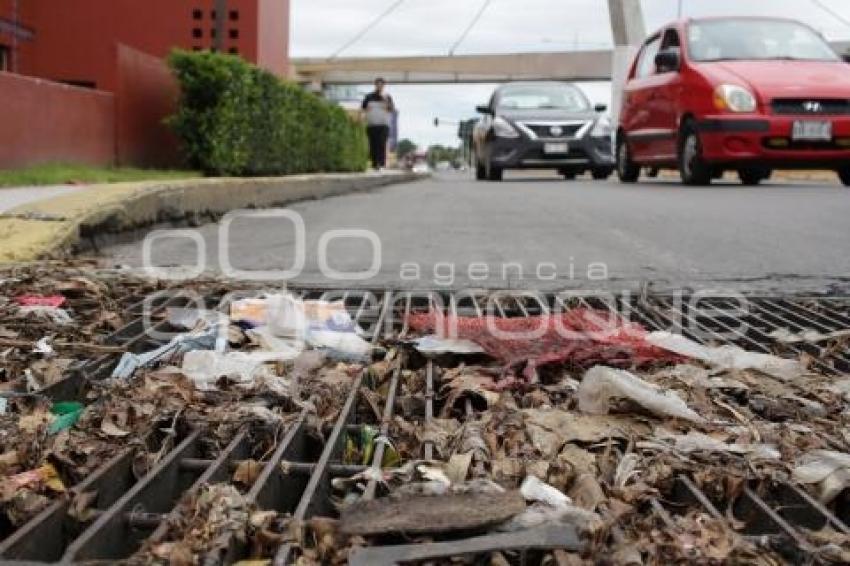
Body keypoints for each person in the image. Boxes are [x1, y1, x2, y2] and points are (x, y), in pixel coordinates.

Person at [361, 78, 395, 170]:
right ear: (375, 85)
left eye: (381, 84)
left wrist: (385, 101)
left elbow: (391, 109)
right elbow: (363, 109)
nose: (379, 86)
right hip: (371, 124)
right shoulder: (368, 97)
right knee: (373, 144)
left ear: (384, 86)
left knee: (381, 144)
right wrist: (362, 117)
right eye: (378, 84)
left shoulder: (387, 97)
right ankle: (374, 164)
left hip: (384, 124)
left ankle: (381, 163)